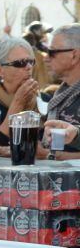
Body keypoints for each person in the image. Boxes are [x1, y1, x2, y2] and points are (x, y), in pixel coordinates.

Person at [0, 36, 43, 149]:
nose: (28, 67)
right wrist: (18, 103)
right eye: (20, 63)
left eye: (31, 61)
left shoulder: (44, 100)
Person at [45, 24, 80, 153]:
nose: (46, 57)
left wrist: (56, 156)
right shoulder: (61, 94)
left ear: (74, 56)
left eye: (52, 52)